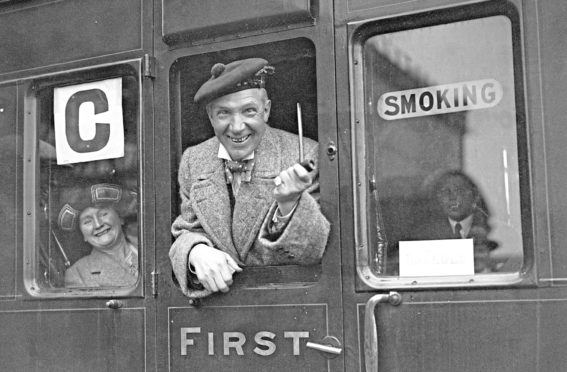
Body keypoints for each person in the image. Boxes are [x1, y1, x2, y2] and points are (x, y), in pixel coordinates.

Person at [169, 58, 330, 298]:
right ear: (210, 117)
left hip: (288, 304)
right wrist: (195, 251)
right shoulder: (194, 159)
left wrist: (289, 204)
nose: (236, 127)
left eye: (249, 111)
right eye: (224, 113)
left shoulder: (303, 154)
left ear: (266, 110)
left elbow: (311, 252)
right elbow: (187, 228)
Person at [411, 170, 498, 273]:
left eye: (459, 191)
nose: (452, 197)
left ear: (474, 196)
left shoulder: (494, 232)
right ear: (437, 199)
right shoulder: (423, 236)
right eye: (445, 192)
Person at [58, 183, 139, 287]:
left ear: (120, 218)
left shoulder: (149, 250)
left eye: (103, 214)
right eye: (87, 221)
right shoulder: (77, 274)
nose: (98, 224)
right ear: (84, 236)